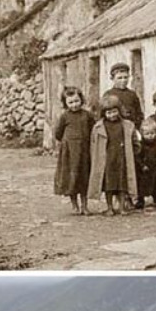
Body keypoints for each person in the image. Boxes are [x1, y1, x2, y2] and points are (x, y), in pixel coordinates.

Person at [88, 94, 139, 216]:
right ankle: (109, 207)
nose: (112, 115)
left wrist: (135, 151)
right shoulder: (98, 127)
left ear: (119, 110)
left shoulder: (127, 125)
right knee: (108, 185)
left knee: (122, 184)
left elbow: (135, 141)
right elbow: (94, 145)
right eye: (109, 113)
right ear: (103, 113)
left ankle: (121, 207)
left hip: (122, 158)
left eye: (114, 111)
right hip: (107, 160)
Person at [53, 86, 94, 215]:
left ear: (81, 100)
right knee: (72, 178)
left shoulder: (87, 115)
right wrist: (67, 142)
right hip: (70, 153)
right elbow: (58, 133)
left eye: (76, 101)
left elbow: (93, 129)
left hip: (84, 152)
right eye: (70, 102)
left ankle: (85, 206)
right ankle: (74, 205)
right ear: (65, 103)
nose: (74, 105)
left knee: (84, 177)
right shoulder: (65, 116)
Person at [135, 118, 156, 209]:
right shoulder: (141, 145)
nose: (150, 136)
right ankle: (140, 200)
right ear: (142, 134)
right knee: (142, 185)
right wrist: (142, 165)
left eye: (152, 133)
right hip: (145, 170)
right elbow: (137, 157)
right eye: (147, 134)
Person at [108, 63, 144, 129]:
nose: (123, 80)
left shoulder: (132, 94)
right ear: (112, 78)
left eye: (125, 77)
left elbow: (139, 113)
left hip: (131, 128)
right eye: (119, 78)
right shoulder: (108, 94)